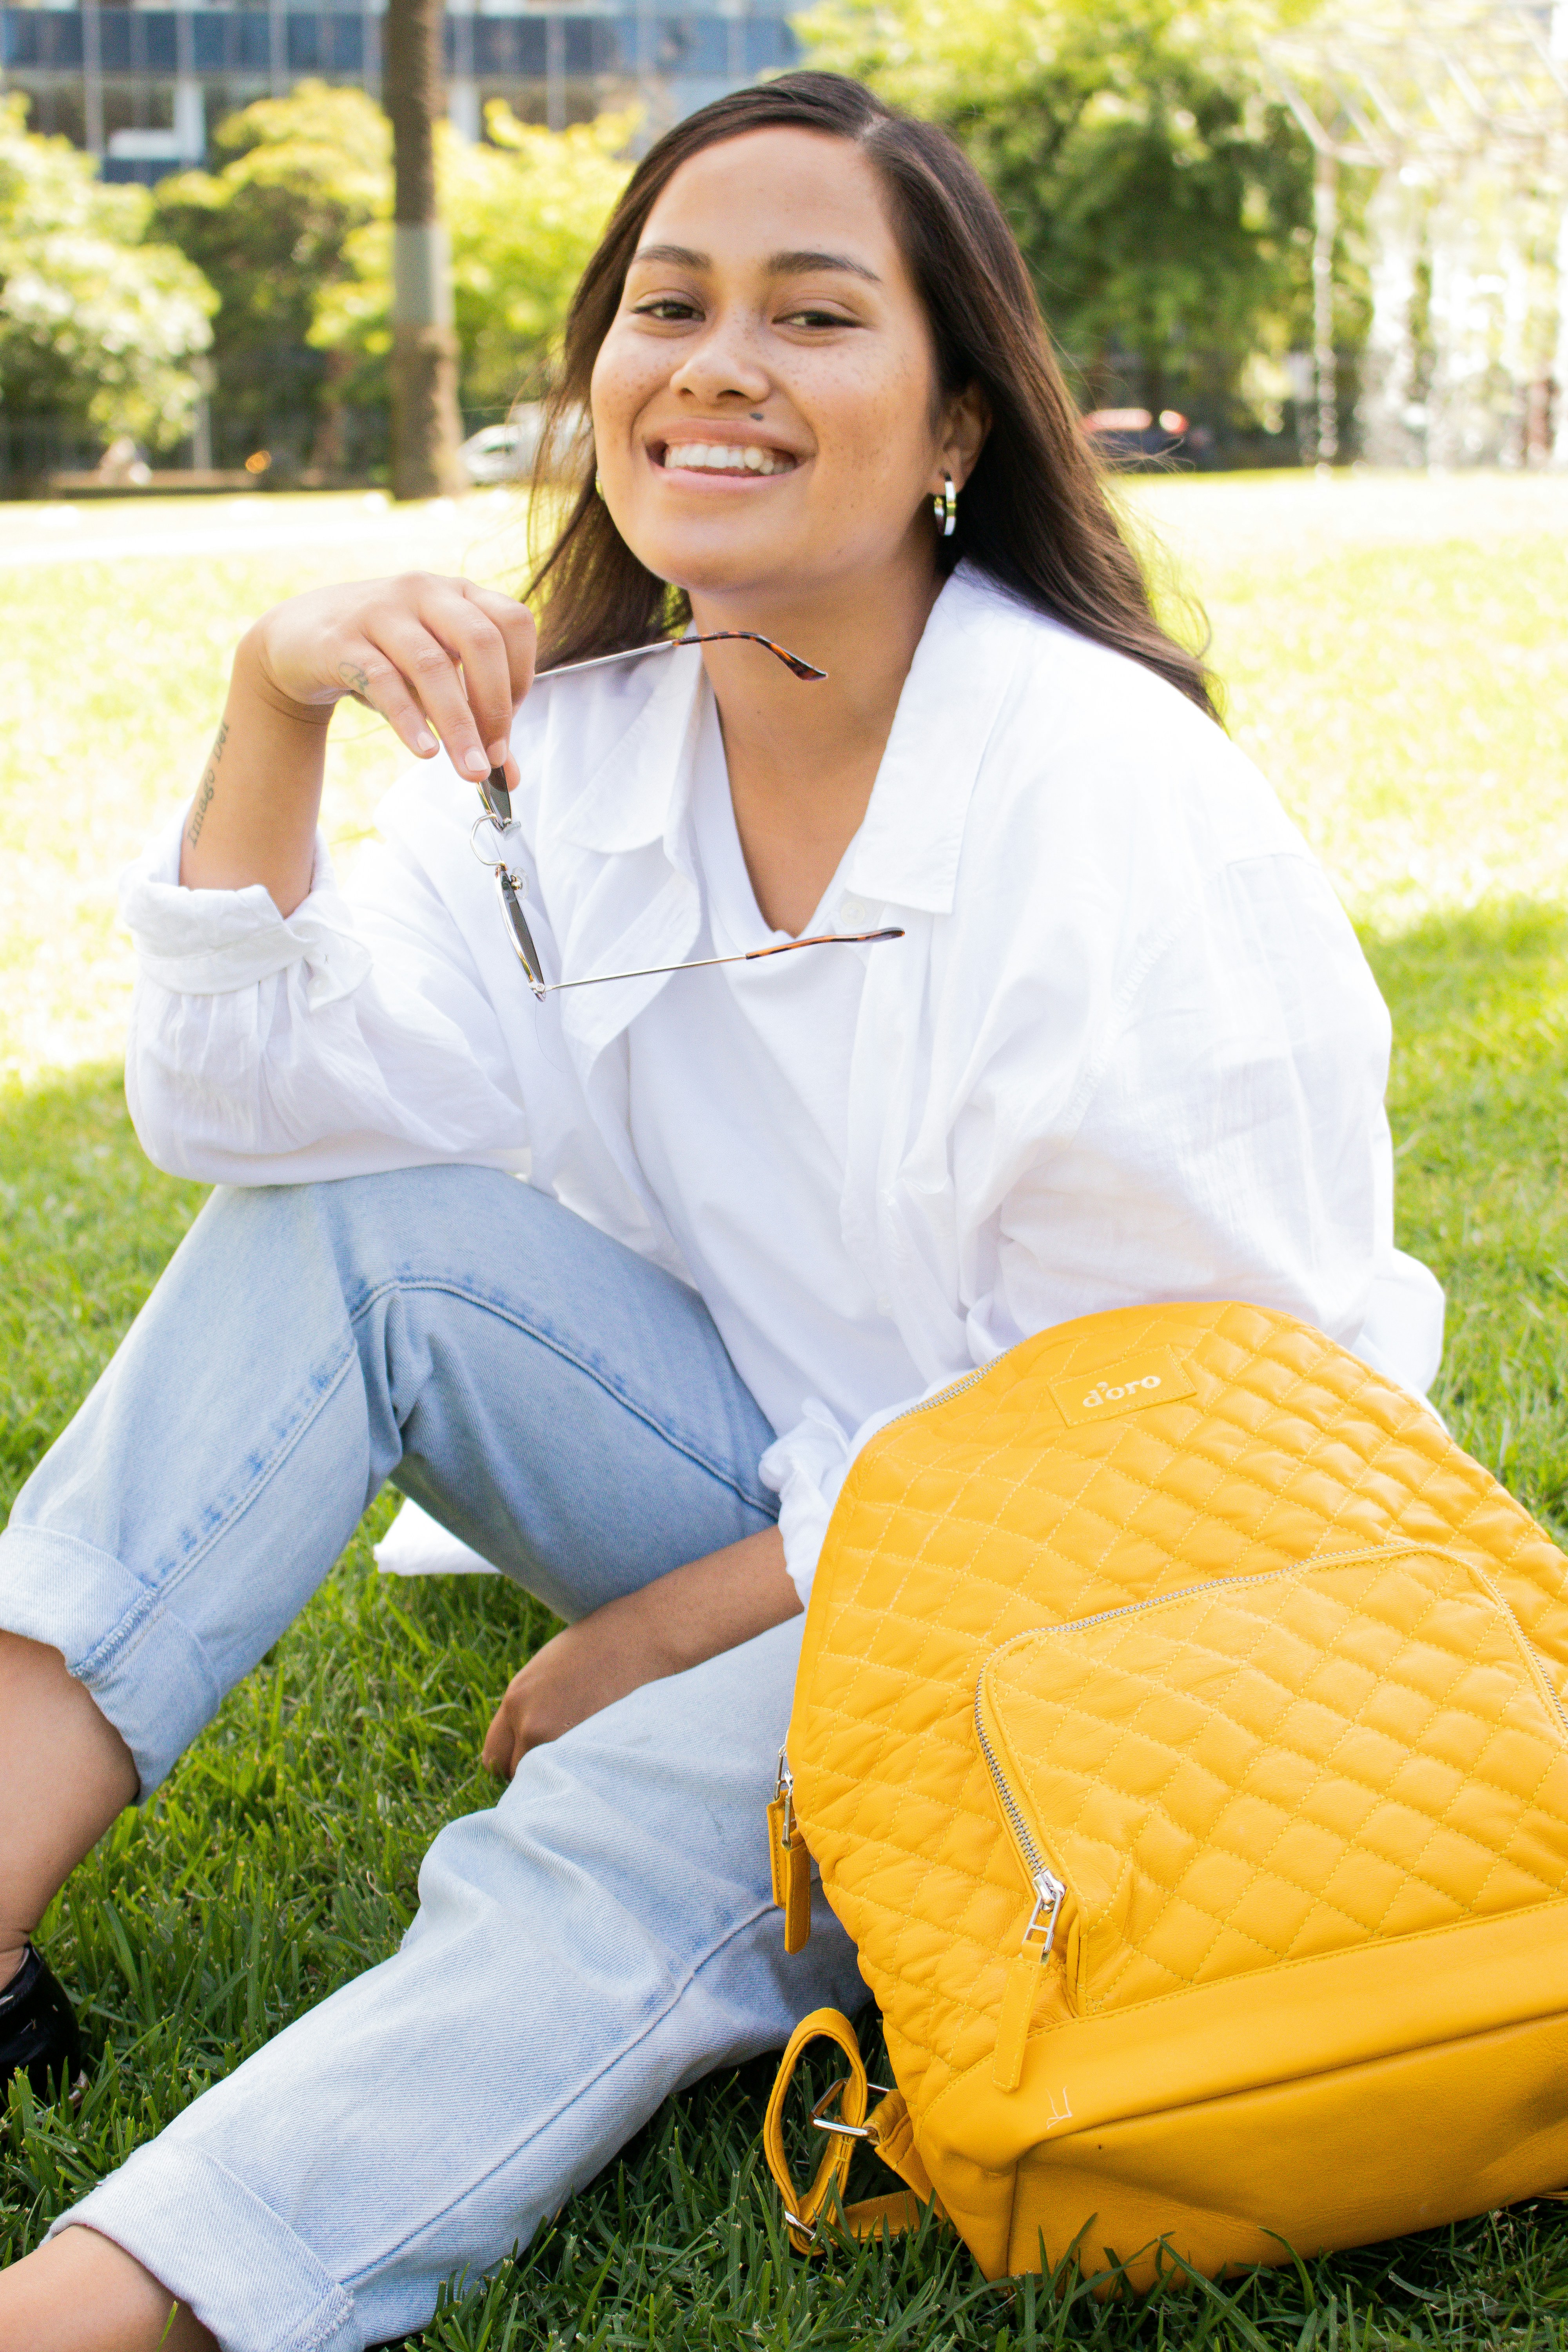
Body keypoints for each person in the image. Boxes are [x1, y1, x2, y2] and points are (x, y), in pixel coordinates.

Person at [0, 67, 1442, 2352]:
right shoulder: (588, 758)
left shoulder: (1109, 802)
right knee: (347, 1239)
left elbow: (1165, 1435)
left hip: (1138, 1624)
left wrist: (666, 1634)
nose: (720, 365)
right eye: (668, 306)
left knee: (631, 1819)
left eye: (815, 312)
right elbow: (248, 1112)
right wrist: (275, 689)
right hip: (806, 1505)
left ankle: (101, 2313)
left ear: (957, 419)